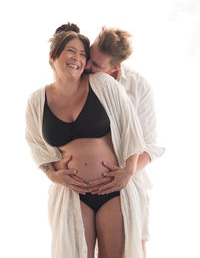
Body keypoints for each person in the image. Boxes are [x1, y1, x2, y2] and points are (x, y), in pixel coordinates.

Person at [25, 23, 152, 258]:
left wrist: (128, 171)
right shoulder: (37, 100)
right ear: (53, 55)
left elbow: (132, 130)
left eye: (83, 54)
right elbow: (36, 145)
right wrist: (52, 174)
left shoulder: (103, 84)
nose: (79, 59)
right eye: (71, 51)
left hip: (113, 190)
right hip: (74, 194)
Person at [54, 26, 165, 257]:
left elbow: (150, 145)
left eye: (96, 65)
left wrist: (127, 171)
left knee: (133, 247)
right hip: (80, 192)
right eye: (89, 58)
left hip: (125, 186)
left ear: (115, 67)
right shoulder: (82, 78)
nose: (88, 66)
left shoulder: (138, 87)